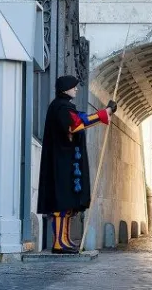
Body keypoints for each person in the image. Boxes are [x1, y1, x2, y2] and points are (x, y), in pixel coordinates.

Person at [37, 75, 117, 254]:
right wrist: (105, 113)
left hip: (67, 162)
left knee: (67, 204)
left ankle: (64, 240)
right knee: (61, 203)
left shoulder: (64, 107)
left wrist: (105, 112)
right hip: (61, 163)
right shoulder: (60, 107)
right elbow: (76, 125)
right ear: (65, 89)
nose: (76, 89)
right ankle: (58, 243)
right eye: (74, 86)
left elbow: (81, 119)